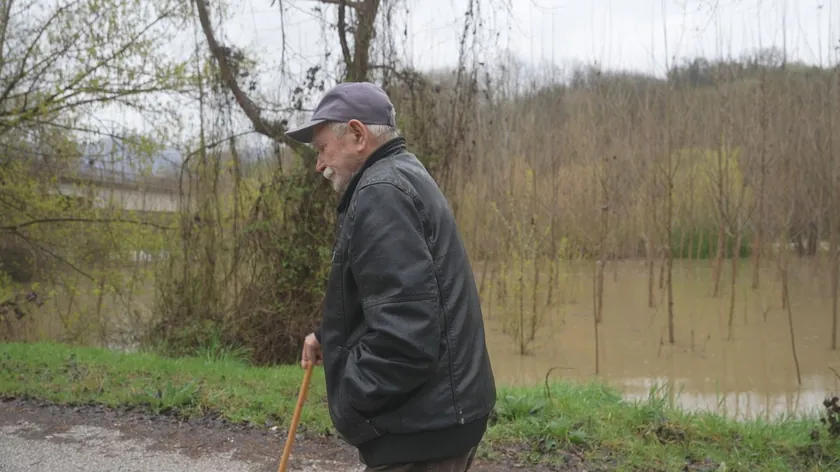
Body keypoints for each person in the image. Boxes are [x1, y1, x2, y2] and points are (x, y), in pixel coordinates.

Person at [285, 81, 496, 472]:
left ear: (357, 135)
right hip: (441, 420)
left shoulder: (381, 193)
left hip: (421, 433)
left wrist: (349, 395)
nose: (319, 164)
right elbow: (399, 298)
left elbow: (406, 337)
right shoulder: (402, 174)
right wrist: (329, 337)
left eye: (322, 148)